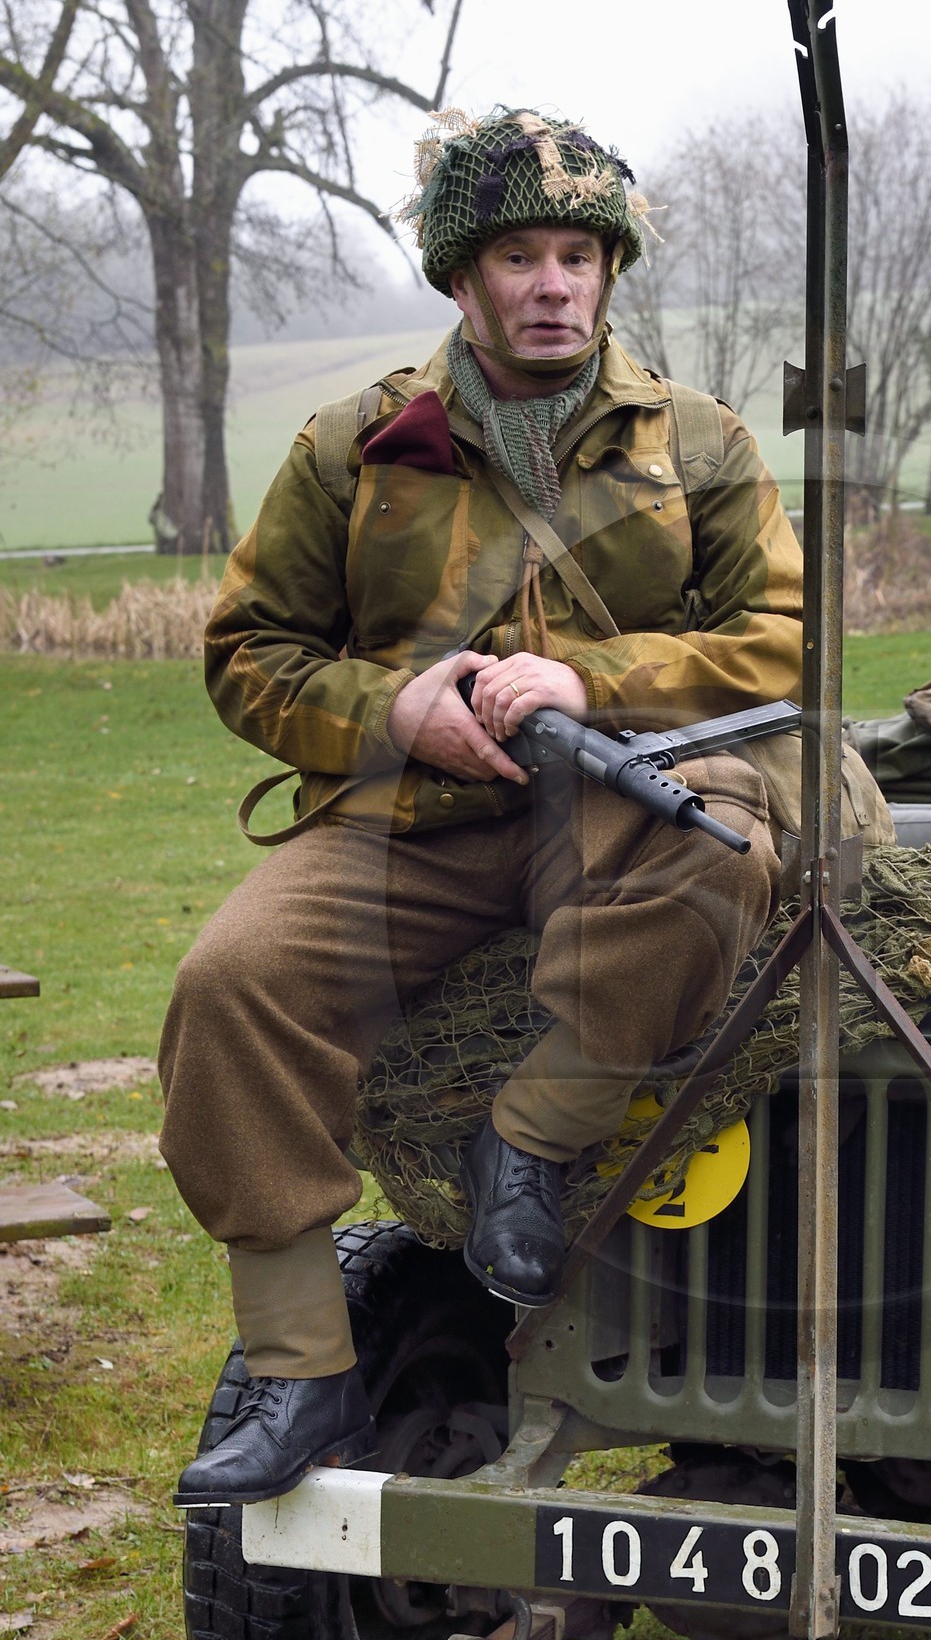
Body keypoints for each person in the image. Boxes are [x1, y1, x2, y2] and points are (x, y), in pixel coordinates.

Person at [159, 107, 802, 1506]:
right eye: (522, 255)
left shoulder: (697, 442)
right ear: (463, 276)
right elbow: (250, 651)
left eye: (581, 254)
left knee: (726, 850)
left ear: (610, 271)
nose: (557, 283)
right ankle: (298, 1362)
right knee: (230, 985)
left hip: (625, 803)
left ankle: (532, 1135)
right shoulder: (359, 444)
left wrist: (590, 675)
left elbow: (778, 644)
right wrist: (392, 709)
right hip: (413, 821)